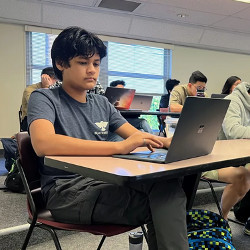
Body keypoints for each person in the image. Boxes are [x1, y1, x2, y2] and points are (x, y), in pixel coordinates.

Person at [27, 26, 189, 250]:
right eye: (83, 63)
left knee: (168, 188)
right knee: (166, 203)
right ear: (61, 64)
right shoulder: (44, 98)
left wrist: (168, 142)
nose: (92, 70)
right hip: (66, 191)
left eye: (96, 63)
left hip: (105, 180)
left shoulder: (101, 103)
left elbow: (136, 136)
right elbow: (43, 144)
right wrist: (119, 148)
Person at [202, 82, 250, 223]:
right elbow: (233, 131)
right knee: (243, 176)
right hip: (214, 158)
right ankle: (222, 219)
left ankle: (245, 214)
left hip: (241, 155)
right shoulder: (233, 101)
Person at [20, 67, 57, 131]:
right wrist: (46, 87)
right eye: (54, 79)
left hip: (49, 117)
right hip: (30, 119)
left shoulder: (55, 88)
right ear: (44, 78)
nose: (56, 81)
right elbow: (38, 106)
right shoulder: (30, 89)